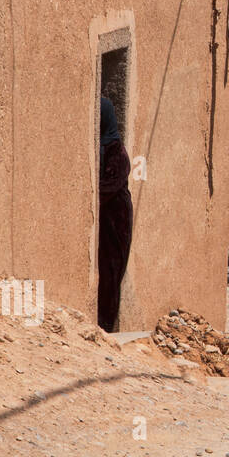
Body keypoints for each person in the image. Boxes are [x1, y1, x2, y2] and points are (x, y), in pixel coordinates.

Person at [98, 96, 133, 332]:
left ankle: (106, 327)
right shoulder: (100, 147)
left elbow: (107, 188)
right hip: (103, 222)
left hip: (116, 223)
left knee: (111, 274)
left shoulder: (117, 152)